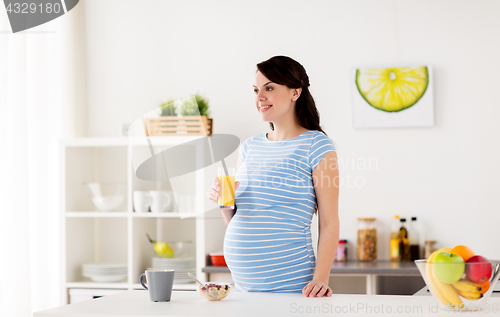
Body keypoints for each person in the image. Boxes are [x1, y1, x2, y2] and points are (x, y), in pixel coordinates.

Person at [207, 56, 339, 297]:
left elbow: (329, 222)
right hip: (243, 288)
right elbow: (241, 219)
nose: (259, 98)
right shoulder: (249, 147)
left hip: (290, 285)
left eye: (269, 88)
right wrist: (224, 204)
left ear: (295, 92)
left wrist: (321, 278)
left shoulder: (317, 146)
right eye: (256, 90)